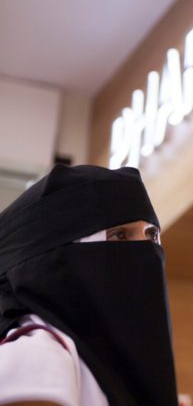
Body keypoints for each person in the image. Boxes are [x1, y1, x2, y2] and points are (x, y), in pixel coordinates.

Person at [0, 165, 178, 406]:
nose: (146, 251)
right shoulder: (38, 355)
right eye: (120, 235)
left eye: (151, 234)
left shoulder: (106, 364)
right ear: (61, 257)